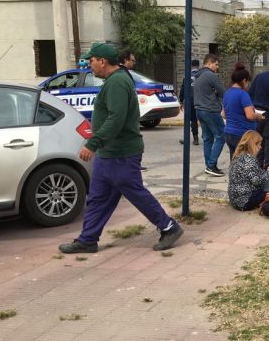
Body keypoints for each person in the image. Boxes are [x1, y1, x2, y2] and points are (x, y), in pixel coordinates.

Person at [58, 43, 183, 254]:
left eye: (91, 61)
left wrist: (93, 143)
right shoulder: (114, 81)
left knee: (135, 193)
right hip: (109, 153)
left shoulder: (117, 83)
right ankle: (88, 239)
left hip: (121, 153)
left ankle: (169, 227)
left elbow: (116, 118)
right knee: (98, 198)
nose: (89, 65)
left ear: (102, 61)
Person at [193, 54, 227, 177]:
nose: (217, 67)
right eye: (216, 64)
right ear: (209, 63)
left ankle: (209, 165)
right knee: (221, 136)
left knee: (208, 139)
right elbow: (223, 92)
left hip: (199, 110)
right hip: (210, 110)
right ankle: (211, 165)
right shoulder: (211, 76)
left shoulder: (198, 76)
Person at [227, 131, 269, 211]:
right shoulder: (250, 160)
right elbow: (257, 181)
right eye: (259, 144)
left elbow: (254, 174)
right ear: (252, 145)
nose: (260, 147)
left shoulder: (239, 156)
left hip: (235, 199)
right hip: (244, 201)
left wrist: (268, 172)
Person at [223, 63, 263, 160]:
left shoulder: (227, 93)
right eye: (247, 82)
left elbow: (224, 114)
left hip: (229, 132)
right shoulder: (243, 94)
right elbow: (249, 115)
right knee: (245, 163)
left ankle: (233, 175)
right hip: (242, 134)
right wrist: (258, 116)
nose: (248, 85)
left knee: (234, 162)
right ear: (244, 80)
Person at [178, 59, 201, 146]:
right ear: (198, 66)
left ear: (191, 66)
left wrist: (181, 101)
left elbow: (183, 89)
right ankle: (200, 137)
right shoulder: (202, 75)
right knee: (199, 119)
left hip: (189, 100)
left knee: (189, 119)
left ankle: (190, 138)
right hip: (200, 99)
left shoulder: (187, 75)